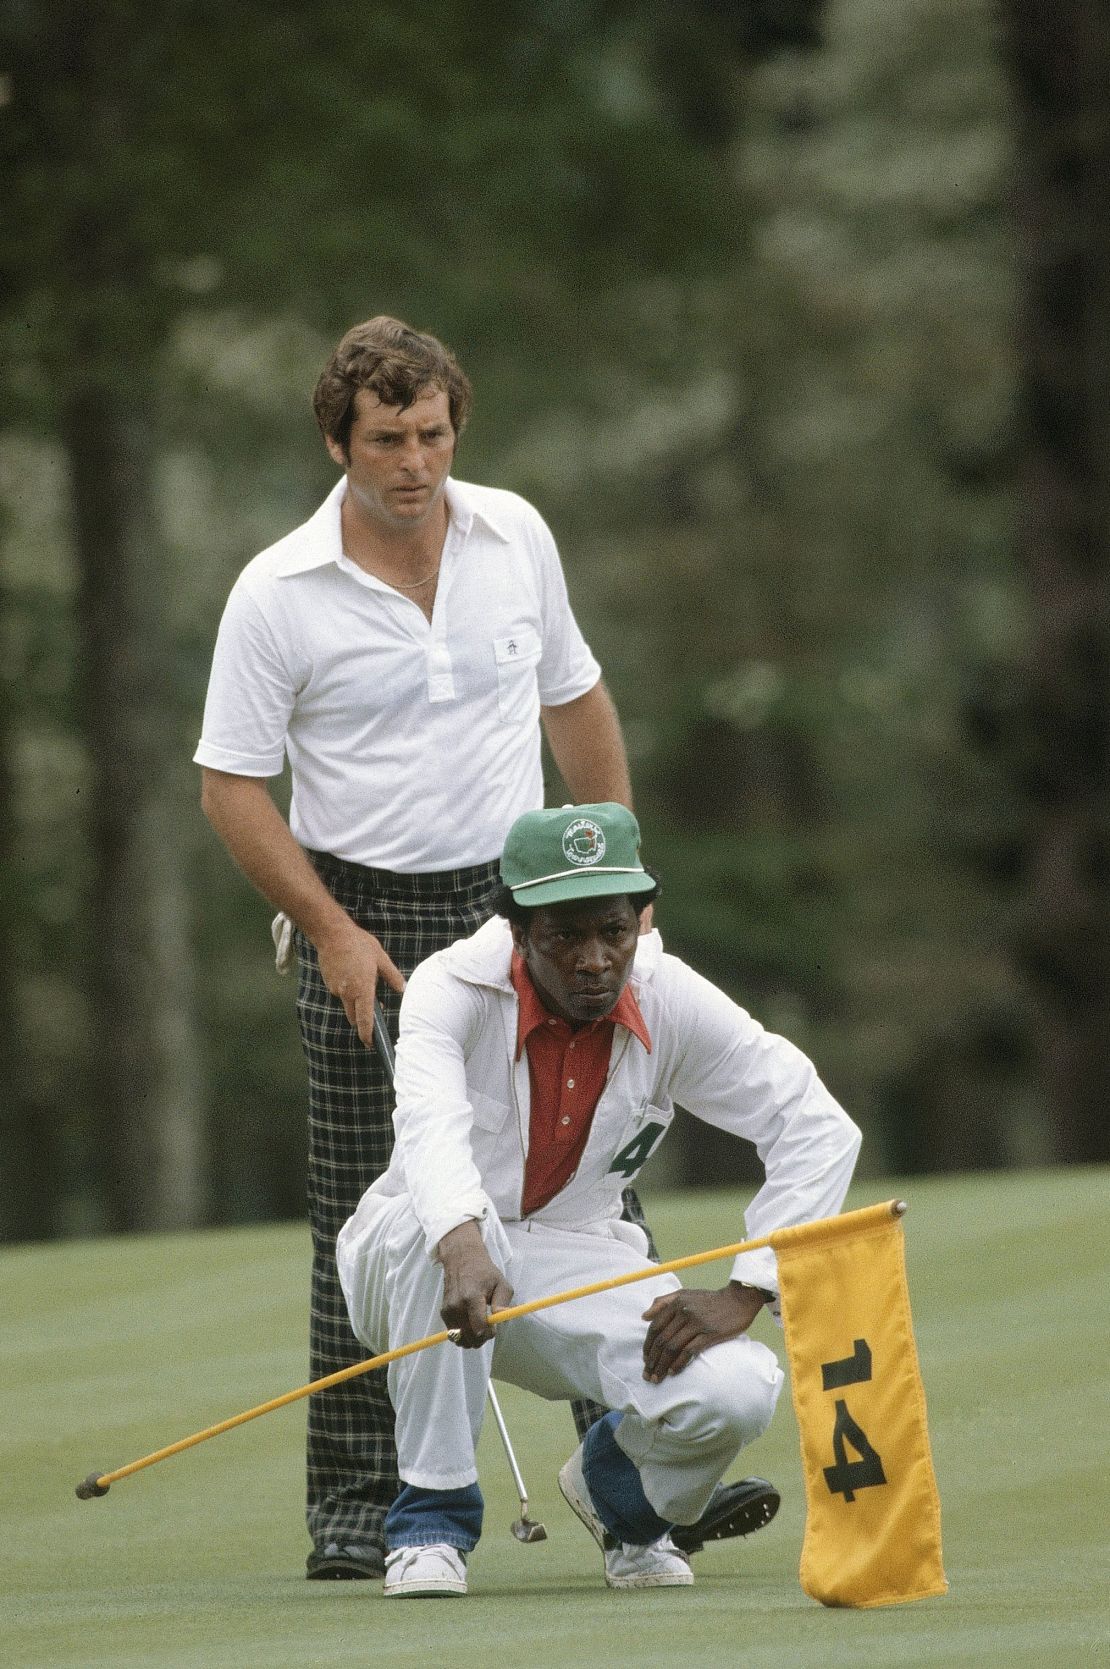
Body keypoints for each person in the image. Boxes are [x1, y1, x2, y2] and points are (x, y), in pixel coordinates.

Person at [193, 317, 738, 1579]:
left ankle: (634, 1479)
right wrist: (329, 928)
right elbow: (230, 784)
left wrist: (616, 891)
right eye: (386, 440)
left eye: (433, 435)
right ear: (338, 442)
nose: (415, 464)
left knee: (594, 1183)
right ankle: (356, 1510)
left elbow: (577, 700)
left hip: (527, 906)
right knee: (368, 1222)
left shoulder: (517, 536)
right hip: (364, 920)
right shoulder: (277, 591)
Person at [336, 802, 863, 1597]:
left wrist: (751, 1285)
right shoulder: (449, 987)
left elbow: (818, 1125)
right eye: (565, 935)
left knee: (739, 1389)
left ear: (641, 920)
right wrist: (464, 1241)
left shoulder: (670, 993)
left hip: (576, 1249)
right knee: (430, 1211)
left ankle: (621, 1497)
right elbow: (431, 1134)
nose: (594, 959)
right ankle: (431, 1519)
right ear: (518, 930)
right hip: (419, 1264)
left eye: (613, 931)